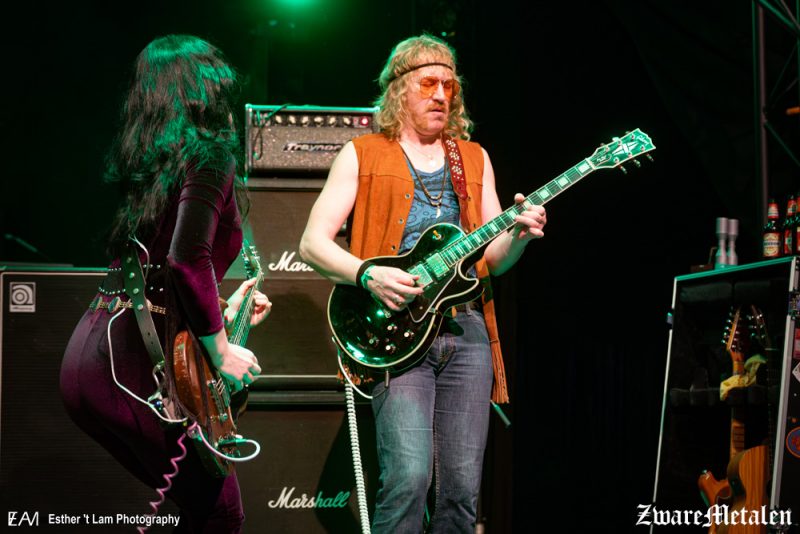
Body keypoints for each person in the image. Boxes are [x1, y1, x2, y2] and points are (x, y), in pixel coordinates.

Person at [299, 34, 547, 532]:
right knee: (408, 480)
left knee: (461, 492)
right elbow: (312, 244)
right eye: (429, 83)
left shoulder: (472, 158)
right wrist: (368, 273)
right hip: (400, 334)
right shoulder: (363, 153)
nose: (440, 95)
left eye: (449, 87)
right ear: (399, 89)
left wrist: (519, 237)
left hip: (466, 333)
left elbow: (493, 260)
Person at [60, 34, 269, 533]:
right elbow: (186, 260)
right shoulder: (210, 156)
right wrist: (221, 352)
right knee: (220, 511)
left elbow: (156, 267)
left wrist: (221, 307)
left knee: (197, 512)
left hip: (89, 359)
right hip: (131, 366)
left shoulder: (147, 162)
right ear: (208, 87)